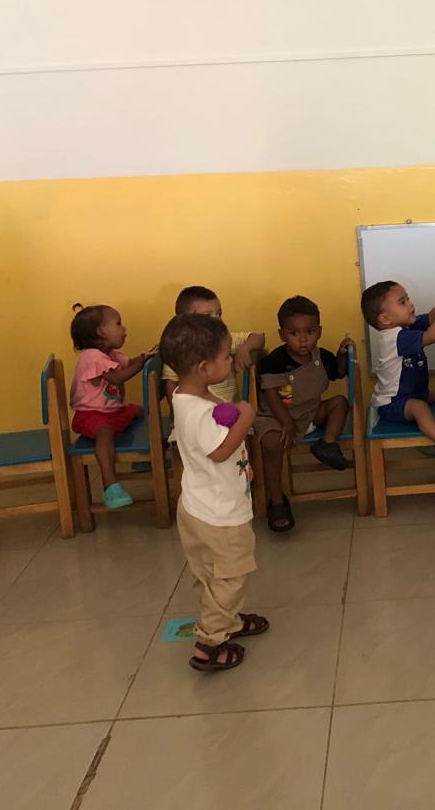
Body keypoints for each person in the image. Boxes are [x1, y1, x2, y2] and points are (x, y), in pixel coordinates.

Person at [161, 312, 268, 672]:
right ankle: (209, 644)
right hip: (220, 516)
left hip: (198, 507)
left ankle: (227, 621)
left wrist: (226, 410)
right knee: (230, 577)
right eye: (225, 356)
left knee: (211, 574)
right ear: (204, 368)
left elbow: (209, 413)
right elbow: (220, 451)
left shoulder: (184, 396)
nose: (230, 360)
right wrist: (246, 416)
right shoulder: (199, 414)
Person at [254, 295, 352, 532]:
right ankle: (277, 501)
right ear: (282, 334)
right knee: (270, 443)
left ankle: (327, 444)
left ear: (319, 331)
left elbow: (339, 373)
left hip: (309, 413)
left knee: (339, 402)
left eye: (309, 332)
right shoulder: (274, 361)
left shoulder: (322, 357)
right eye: (294, 333)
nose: (303, 339)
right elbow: (271, 396)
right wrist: (286, 423)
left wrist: (341, 354)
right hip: (276, 417)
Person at [361, 280, 435, 468]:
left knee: (434, 397)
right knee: (419, 408)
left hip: (413, 393)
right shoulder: (394, 337)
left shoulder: (405, 327)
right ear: (385, 319)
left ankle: (432, 437)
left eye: (408, 299)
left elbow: (430, 318)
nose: (410, 304)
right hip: (392, 402)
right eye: (402, 302)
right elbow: (432, 335)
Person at [68, 303, 157, 509]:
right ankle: (111, 486)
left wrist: (144, 357)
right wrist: (141, 363)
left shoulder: (110, 354)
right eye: (118, 323)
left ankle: (141, 459)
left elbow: (128, 363)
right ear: (100, 332)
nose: (124, 328)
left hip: (112, 412)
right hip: (90, 415)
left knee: (140, 411)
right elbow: (118, 378)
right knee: (105, 434)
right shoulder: (91, 356)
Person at [161, 286, 264, 402]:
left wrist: (245, 348)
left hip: (229, 408)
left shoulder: (224, 339)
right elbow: (171, 384)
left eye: (219, 314)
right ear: (184, 320)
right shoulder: (180, 349)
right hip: (197, 410)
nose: (217, 320)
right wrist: (178, 409)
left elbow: (259, 337)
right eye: (207, 316)